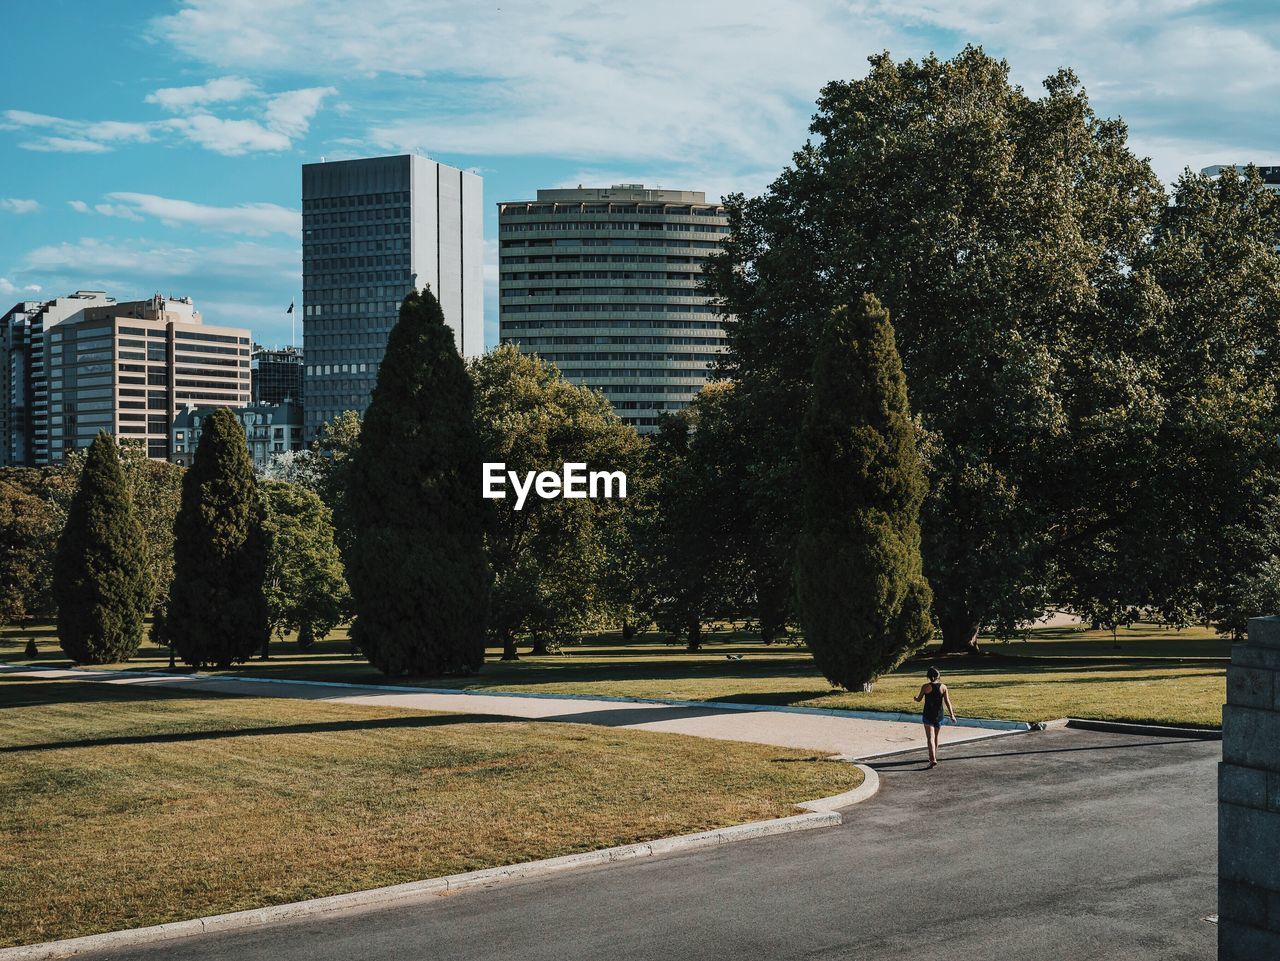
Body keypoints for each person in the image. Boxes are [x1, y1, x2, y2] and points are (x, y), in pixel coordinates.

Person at [913, 667, 957, 769]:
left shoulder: (925, 687)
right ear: (938, 676)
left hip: (928, 714)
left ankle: (932, 759)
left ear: (928, 677)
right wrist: (952, 715)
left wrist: (915, 698)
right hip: (939, 715)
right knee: (936, 737)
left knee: (930, 738)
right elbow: (947, 702)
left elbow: (919, 699)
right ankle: (933, 756)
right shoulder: (943, 687)